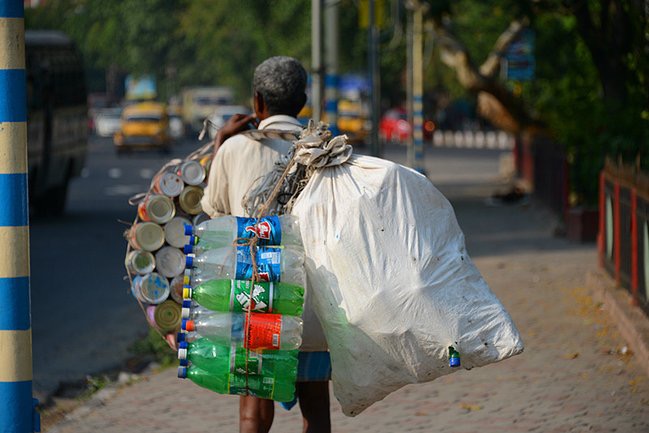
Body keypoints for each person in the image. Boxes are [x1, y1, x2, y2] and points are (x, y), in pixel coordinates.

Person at [200, 56, 331, 433]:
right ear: (303, 101)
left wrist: (221, 142)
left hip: (255, 290)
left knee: (253, 413)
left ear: (257, 102)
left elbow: (216, 213)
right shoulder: (323, 149)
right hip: (310, 293)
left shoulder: (234, 148)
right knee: (316, 408)